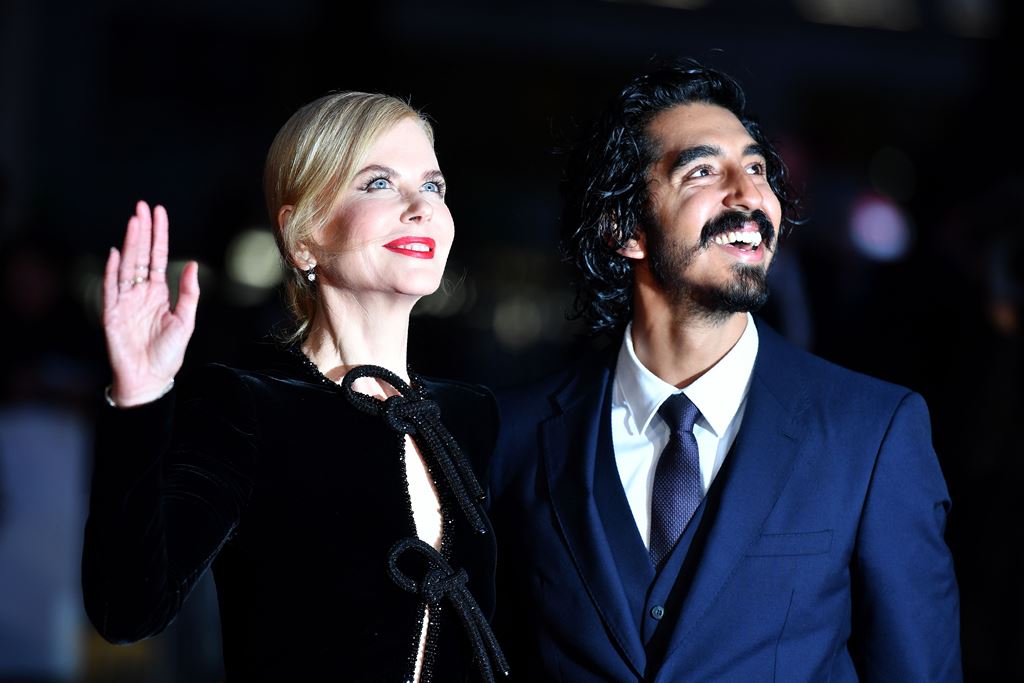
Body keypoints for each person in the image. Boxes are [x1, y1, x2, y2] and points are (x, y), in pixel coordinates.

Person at [488, 61, 961, 682]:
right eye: (703, 170)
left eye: (758, 168)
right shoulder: (514, 433)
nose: (749, 196)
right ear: (625, 228)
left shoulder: (871, 432)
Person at [82, 92, 507, 682]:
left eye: (433, 186)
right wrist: (140, 400)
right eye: (379, 183)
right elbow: (127, 611)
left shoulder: (471, 415)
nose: (421, 208)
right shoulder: (246, 408)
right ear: (303, 236)